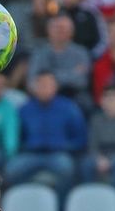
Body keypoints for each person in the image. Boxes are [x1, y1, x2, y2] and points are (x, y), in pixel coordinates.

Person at [7, 71, 87, 200]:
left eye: (48, 85)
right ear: (35, 87)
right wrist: (26, 146)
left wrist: (64, 146)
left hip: (57, 153)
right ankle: (25, 203)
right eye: (41, 85)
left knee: (67, 169)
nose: (44, 88)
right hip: (32, 153)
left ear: (56, 87)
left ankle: (60, 210)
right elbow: (18, 136)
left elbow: (80, 138)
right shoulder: (25, 109)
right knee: (12, 170)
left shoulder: (69, 108)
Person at [28, 14, 94, 102]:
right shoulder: (39, 52)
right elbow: (31, 81)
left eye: (64, 28)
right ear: (48, 30)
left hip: (74, 97)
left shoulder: (81, 53)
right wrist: (72, 73)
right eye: (57, 28)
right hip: (43, 97)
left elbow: (82, 81)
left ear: (72, 31)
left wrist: (49, 80)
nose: (60, 31)